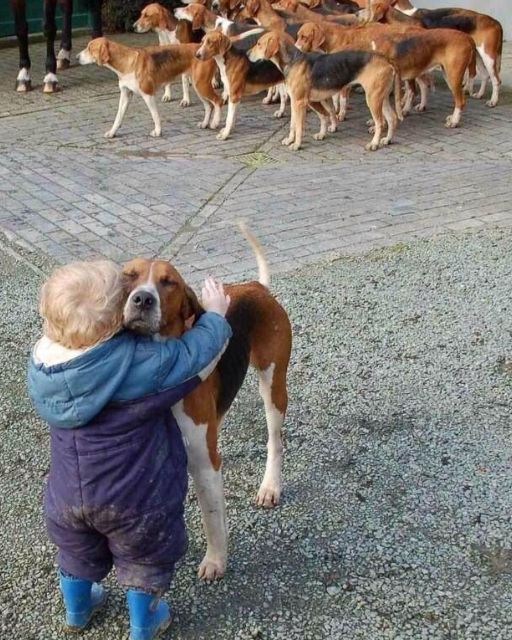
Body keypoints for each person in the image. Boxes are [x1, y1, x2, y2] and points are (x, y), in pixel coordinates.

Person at [27, 260, 231, 640]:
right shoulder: (138, 367)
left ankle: (77, 609)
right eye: (129, 281)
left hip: (65, 497)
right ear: (111, 320)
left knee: (75, 552)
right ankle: (143, 623)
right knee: (143, 559)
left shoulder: (44, 366)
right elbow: (191, 357)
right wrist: (215, 318)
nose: (142, 292)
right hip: (132, 502)